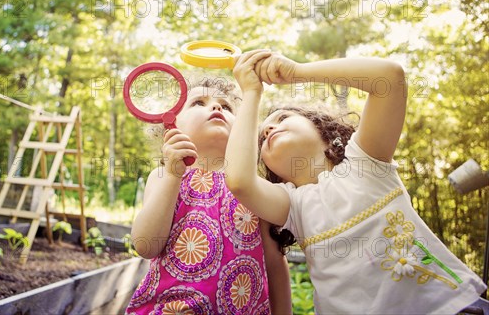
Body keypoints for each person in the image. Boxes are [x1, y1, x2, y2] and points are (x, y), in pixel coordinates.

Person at [226, 50, 488, 314]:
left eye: (282, 118)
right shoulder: (292, 205)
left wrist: (297, 72)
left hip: (445, 308)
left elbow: (389, 78)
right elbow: (239, 181)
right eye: (262, 138)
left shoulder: (366, 163)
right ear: (274, 173)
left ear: (322, 129)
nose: (269, 129)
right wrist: (251, 94)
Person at [126, 75, 292, 315]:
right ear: (171, 125)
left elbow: (275, 264)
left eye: (226, 106)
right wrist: (174, 173)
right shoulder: (164, 177)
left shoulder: (254, 188)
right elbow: (145, 245)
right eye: (198, 103)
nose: (215, 107)